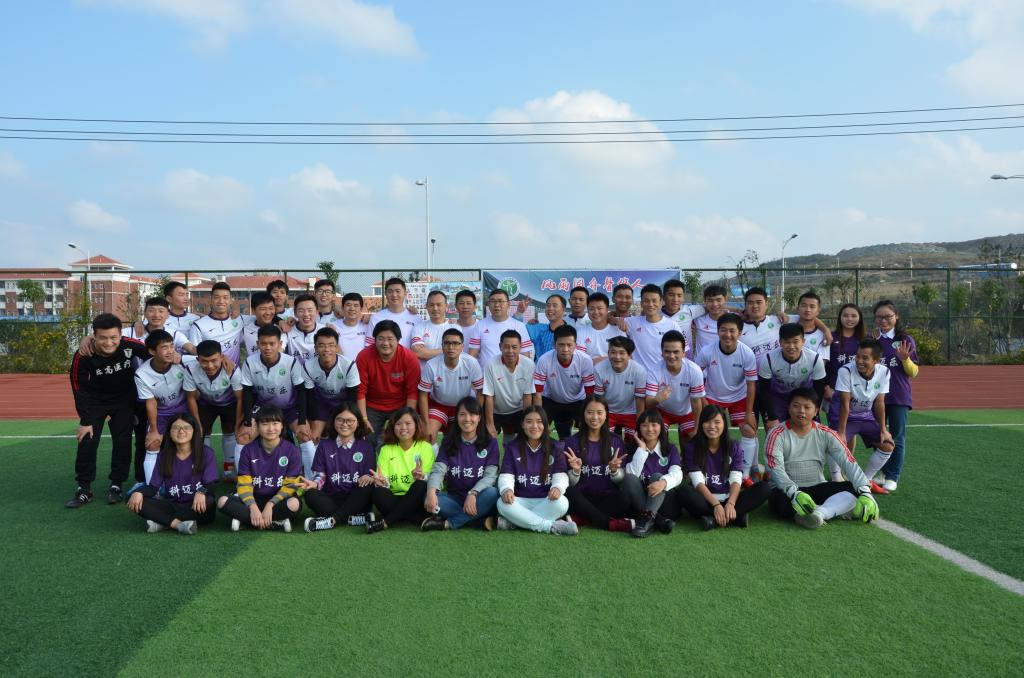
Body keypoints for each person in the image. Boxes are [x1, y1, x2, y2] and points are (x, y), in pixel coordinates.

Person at [766, 388, 879, 529]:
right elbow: (775, 469)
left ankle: (818, 514)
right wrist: (793, 493)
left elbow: (847, 461)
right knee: (779, 501)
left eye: (807, 407)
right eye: (796, 406)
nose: (801, 411)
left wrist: (865, 491)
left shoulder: (826, 433)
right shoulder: (776, 434)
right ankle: (830, 508)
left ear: (816, 411)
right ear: (788, 408)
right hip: (787, 491)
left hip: (817, 487)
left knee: (855, 489)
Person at [67, 313, 148, 508]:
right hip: (95, 402)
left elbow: (154, 353)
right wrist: (85, 420)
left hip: (124, 401)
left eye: (113, 337)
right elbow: (78, 387)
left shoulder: (130, 345)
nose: (109, 342)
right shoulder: (83, 355)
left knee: (122, 442)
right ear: (94, 336)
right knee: (87, 440)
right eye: (102, 338)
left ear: (120, 335)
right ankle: (84, 487)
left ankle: (116, 484)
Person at [236, 324, 315, 477]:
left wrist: (302, 421)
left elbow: (301, 392)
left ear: (280, 344)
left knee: (305, 435)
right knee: (244, 436)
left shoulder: (291, 362)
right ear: (258, 343)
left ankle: (311, 481)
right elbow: (247, 393)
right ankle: (243, 481)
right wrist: (248, 422)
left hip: (289, 407)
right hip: (263, 407)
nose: (268, 347)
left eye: (272, 343)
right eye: (264, 343)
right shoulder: (250, 362)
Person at [678, 406, 771, 530]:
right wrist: (716, 505)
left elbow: (736, 479)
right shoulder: (692, 447)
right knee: (683, 491)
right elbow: (698, 482)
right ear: (701, 424)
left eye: (717, 422)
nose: (712, 426)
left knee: (765, 487)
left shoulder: (734, 446)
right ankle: (736, 517)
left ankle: (712, 520)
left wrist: (731, 503)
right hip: (705, 499)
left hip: (729, 497)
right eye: (707, 422)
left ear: (724, 424)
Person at [125, 413, 217, 535]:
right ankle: (177, 525)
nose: (181, 431)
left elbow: (210, 485)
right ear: (169, 432)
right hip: (172, 504)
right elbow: (153, 488)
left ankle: (162, 522)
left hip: (195, 506)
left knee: (209, 501)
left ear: (194, 431)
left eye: (186, 427)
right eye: (176, 428)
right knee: (131, 497)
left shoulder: (206, 453)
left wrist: (201, 492)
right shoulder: (164, 455)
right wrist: (139, 492)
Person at [695, 313, 759, 483]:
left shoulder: (747, 353)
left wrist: (749, 412)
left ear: (740, 333)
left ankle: (745, 474)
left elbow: (751, 384)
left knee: (749, 429)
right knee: (709, 432)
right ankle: (708, 469)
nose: (727, 334)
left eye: (732, 331)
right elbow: (695, 376)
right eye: (723, 330)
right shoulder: (707, 351)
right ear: (717, 331)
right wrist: (703, 400)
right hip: (712, 397)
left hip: (739, 397)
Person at [218, 406, 302, 532]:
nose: (271, 429)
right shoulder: (248, 450)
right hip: (254, 498)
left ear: (282, 426)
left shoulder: (292, 451)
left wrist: (270, 504)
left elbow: (290, 486)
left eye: (275, 423)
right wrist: (253, 507)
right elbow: (244, 484)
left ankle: (247, 521)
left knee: (294, 504)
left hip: (279, 500)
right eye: (265, 424)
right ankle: (274, 522)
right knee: (222, 501)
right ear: (257, 426)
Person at [422, 397, 500, 531]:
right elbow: (438, 470)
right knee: (428, 496)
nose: (467, 419)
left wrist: (473, 493)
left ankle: (449, 523)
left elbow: (490, 476)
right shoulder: (448, 441)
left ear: (479, 418)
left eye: (472, 414)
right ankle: (477, 520)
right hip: (454, 499)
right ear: (457, 418)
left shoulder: (490, 443)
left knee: (493, 493)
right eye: (462, 414)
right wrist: (431, 491)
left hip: (479, 497)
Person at [496, 406, 577, 535]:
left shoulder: (555, 446)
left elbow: (560, 475)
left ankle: (515, 522)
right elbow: (506, 475)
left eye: (539, 422)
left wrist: (557, 487)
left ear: (545, 425)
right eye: (529, 421)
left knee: (562, 503)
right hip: (519, 500)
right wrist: (507, 489)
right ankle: (551, 527)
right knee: (501, 503)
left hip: (546, 500)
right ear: (522, 424)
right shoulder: (512, 447)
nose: (534, 426)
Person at [829, 338, 895, 493]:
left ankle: (865, 480)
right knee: (837, 441)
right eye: (858, 356)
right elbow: (845, 404)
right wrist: (841, 432)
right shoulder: (845, 371)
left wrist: (883, 430)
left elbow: (879, 403)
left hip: (865, 415)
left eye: (865, 358)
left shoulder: (885, 372)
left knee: (888, 445)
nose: (859, 361)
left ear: (876, 360)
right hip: (844, 415)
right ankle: (836, 478)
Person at [300, 403, 377, 532]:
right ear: (333, 421)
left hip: (356, 499)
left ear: (358, 422)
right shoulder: (324, 445)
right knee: (310, 494)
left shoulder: (366, 447)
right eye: (340, 420)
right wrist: (314, 483)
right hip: (331, 498)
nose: (344, 424)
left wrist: (369, 477)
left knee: (367, 488)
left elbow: (369, 475)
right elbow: (321, 475)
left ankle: (332, 520)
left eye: (350, 420)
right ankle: (351, 519)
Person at [563, 395, 633, 532]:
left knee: (625, 498)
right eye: (590, 412)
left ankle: (584, 518)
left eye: (599, 412)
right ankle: (610, 524)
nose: (595, 417)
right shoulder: (571, 442)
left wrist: (614, 471)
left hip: (607, 496)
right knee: (569, 492)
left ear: (606, 415)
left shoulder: (616, 441)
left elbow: (621, 480)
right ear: (583, 414)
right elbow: (568, 482)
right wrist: (576, 471)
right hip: (581, 496)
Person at [872, 300, 919, 492]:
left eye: (888, 317)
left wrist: (905, 359)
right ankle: (882, 472)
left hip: (898, 396)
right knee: (878, 434)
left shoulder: (905, 340)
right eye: (879, 317)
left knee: (897, 437)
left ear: (896, 316)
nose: (883, 321)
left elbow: (914, 372)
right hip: (875, 396)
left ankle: (893, 476)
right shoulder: (872, 339)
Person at [366, 407, 436, 533]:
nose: (403, 427)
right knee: (377, 492)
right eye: (398, 424)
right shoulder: (386, 449)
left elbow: (430, 479)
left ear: (416, 425)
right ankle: (417, 518)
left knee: (420, 485)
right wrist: (382, 482)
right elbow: (385, 481)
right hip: (394, 497)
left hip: (417, 498)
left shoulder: (425, 447)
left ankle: (386, 522)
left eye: (408, 423)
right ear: (393, 427)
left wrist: (421, 476)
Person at [355, 319, 421, 448]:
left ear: (398, 340)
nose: (385, 343)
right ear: (374, 339)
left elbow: (412, 392)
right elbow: (360, 391)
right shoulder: (364, 356)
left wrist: (408, 418)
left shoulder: (409, 358)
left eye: (390, 339)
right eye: (381, 339)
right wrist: (364, 419)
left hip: (400, 405)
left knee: (400, 438)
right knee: (367, 438)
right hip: (372, 405)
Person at [134, 330, 189, 484]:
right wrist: (154, 431)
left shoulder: (183, 362)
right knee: (153, 443)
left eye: (172, 346)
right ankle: (152, 488)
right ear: (152, 351)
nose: (170, 351)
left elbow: (205, 357)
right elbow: (151, 403)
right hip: (161, 414)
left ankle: (188, 482)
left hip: (184, 411)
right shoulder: (141, 373)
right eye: (164, 347)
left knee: (186, 442)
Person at [183, 339, 243, 478]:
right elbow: (191, 398)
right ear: (197, 359)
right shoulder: (190, 369)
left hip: (229, 403)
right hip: (206, 403)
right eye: (204, 361)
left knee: (231, 429)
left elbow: (240, 398)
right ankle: (207, 470)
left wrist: (238, 423)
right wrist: (197, 423)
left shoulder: (232, 369)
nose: (210, 365)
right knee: (201, 432)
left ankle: (229, 469)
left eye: (214, 360)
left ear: (221, 357)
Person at [622, 409, 681, 537]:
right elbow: (632, 476)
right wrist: (641, 450)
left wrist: (663, 483)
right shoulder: (631, 449)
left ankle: (646, 520)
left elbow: (677, 474)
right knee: (629, 478)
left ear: (661, 427)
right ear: (638, 428)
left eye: (654, 425)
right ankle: (656, 521)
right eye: (644, 425)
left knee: (657, 477)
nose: (649, 429)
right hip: (640, 501)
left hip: (666, 503)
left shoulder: (670, 449)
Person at [418, 328, 483, 443]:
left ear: (462, 346)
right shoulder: (431, 365)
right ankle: (434, 455)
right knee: (429, 434)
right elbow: (423, 394)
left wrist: (476, 415)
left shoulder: (471, 363)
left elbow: (480, 391)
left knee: (459, 440)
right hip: (439, 405)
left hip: (463, 407)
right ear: (442, 346)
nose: (451, 347)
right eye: (447, 343)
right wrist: (425, 423)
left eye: (455, 343)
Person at [756, 323, 827, 428]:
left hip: (804, 396)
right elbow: (764, 389)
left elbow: (819, 389)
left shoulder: (815, 359)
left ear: (803, 342)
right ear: (780, 342)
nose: (791, 346)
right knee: (773, 429)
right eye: (787, 342)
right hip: (778, 396)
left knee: (808, 429)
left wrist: (814, 411)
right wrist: (772, 416)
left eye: (795, 341)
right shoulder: (768, 359)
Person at [534, 324, 596, 439]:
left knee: (588, 432)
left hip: (578, 401)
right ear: (554, 344)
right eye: (561, 345)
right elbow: (537, 393)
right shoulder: (544, 360)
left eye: (569, 345)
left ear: (575, 345)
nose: (565, 349)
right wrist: (538, 419)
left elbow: (590, 392)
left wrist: (588, 414)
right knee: (539, 429)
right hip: (551, 400)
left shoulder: (585, 360)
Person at [302, 326, 360, 444]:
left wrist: (345, 417)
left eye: (331, 345)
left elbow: (352, 397)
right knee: (313, 437)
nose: (326, 349)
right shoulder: (307, 367)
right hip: (321, 404)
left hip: (343, 404)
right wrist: (313, 421)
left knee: (345, 436)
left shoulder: (349, 365)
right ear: (315, 348)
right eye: (321, 345)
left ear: (337, 347)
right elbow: (310, 397)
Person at [645, 330, 705, 443]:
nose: (671, 356)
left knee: (691, 440)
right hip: (663, 412)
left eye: (676, 352)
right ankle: (665, 453)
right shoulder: (654, 371)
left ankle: (686, 454)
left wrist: (697, 429)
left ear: (683, 352)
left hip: (687, 413)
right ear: (662, 352)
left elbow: (696, 402)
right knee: (657, 436)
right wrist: (657, 399)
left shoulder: (694, 370)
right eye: (667, 352)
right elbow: (648, 403)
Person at [482, 329, 537, 440]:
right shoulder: (490, 364)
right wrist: (490, 424)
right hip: (496, 411)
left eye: (514, 347)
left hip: (518, 410)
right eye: (506, 347)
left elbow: (527, 396)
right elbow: (489, 396)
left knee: (522, 439)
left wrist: (526, 421)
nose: (510, 351)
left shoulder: (529, 364)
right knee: (486, 438)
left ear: (520, 347)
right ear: (500, 347)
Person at [593, 336, 648, 442]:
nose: (617, 357)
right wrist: (600, 417)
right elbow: (599, 399)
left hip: (631, 412)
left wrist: (639, 422)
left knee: (633, 441)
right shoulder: (599, 369)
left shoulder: (639, 371)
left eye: (622, 353)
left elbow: (640, 399)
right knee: (605, 441)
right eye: (613, 352)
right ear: (608, 353)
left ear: (629, 355)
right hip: (608, 411)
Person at [622, 284, 680, 372]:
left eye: (654, 301)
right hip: (639, 376)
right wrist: (613, 318)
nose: (650, 304)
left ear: (661, 302)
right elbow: (609, 319)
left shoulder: (672, 325)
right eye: (646, 301)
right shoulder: (631, 322)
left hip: (662, 376)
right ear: (641, 303)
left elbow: (683, 350)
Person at [470, 289, 534, 366]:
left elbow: (525, 357)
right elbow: (472, 356)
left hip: (512, 373)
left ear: (508, 304)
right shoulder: (480, 325)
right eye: (493, 301)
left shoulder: (519, 326)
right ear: (488, 304)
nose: (496, 305)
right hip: (486, 373)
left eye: (500, 301)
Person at [189, 281, 244, 365]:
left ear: (231, 300)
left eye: (225, 297)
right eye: (216, 297)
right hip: (209, 371)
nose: (221, 301)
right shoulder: (198, 326)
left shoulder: (239, 320)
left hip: (234, 371)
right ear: (211, 299)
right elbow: (194, 355)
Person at [826, 303, 866, 405]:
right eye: (845, 315)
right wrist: (826, 387)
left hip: (859, 390)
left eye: (853, 316)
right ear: (840, 317)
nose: (849, 319)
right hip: (834, 388)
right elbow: (823, 365)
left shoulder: (866, 338)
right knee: (836, 415)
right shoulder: (830, 337)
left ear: (860, 318)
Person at [662, 279, 707, 359]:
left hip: (686, 360)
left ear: (683, 298)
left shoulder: (689, 311)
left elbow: (712, 307)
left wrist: (732, 310)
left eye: (679, 295)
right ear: (664, 297)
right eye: (671, 295)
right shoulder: (656, 314)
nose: (675, 299)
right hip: (664, 359)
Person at [369, 277, 419, 349]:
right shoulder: (376, 318)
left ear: (405, 293)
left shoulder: (416, 318)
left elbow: (419, 347)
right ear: (385, 294)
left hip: (408, 356)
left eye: (398, 291)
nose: (394, 295)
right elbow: (370, 346)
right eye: (390, 291)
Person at [575, 292, 624, 365]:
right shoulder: (581, 332)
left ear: (607, 310)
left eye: (600, 308)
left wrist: (594, 361)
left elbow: (626, 358)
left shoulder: (619, 331)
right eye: (591, 309)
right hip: (590, 372)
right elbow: (581, 361)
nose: (596, 312)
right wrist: (611, 359)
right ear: (587, 310)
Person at [739, 286, 781, 368]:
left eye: (759, 302)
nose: (755, 306)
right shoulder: (737, 327)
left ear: (766, 304)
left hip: (777, 373)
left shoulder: (778, 320)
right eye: (750, 303)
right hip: (750, 373)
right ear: (745, 306)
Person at [788, 291, 833, 365]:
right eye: (804, 305)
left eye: (812, 306)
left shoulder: (823, 336)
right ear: (797, 308)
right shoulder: (787, 326)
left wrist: (826, 330)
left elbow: (821, 364)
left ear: (818, 311)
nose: (808, 309)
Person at [411, 290, 453, 367]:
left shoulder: (454, 327)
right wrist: (447, 350)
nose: (435, 308)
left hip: (447, 372)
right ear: (426, 306)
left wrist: (427, 352)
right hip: (424, 373)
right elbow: (418, 353)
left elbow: (457, 352)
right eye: (431, 305)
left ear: (446, 306)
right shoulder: (419, 327)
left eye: (439, 305)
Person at [241, 291, 289, 358]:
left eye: (271, 308)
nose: (268, 313)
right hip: (252, 364)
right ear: (253, 310)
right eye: (263, 309)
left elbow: (279, 353)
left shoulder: (281, 329)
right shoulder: (245, 330)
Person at [691, 285, 732, 356]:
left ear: (725, 300)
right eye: (710, 300)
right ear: (705, 301)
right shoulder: (697, 319)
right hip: (701, 362)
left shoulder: (735, 319)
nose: (714, 304)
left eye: (718, 300)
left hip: (725, 361)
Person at [284, 293, 325, 361]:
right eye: (301, 311)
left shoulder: (324, 331)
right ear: (295, 313)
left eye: (310, 310)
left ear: (317, 312)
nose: (306, 314)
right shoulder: (287, 331)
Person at [526, 293, 568, 358]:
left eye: (554, 306)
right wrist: (519, 313)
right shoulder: (539, 329)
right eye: (548, 305)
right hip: (540, 364)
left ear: (563, 309)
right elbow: (516, 329)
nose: (550, 308)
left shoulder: (570, 332)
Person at [332, 291, 371, 359]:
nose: (352, 308)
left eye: (356, 305)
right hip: (342, 364)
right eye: (348, 305)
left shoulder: (368, 326)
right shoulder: (333, 327)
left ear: (361, 309)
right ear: (342, 308)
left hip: (363, 364)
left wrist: (371, 318)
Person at [454, 289, 480, 355]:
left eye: (468, 303)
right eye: (461, 303)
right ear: (456, 306)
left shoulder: (480, 326)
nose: (465, 307)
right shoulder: (450, 326)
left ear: (475, 306)